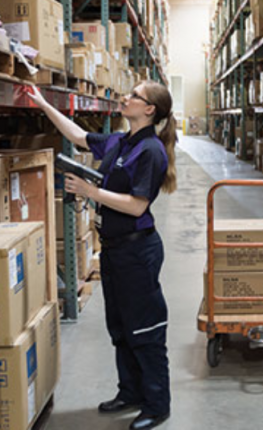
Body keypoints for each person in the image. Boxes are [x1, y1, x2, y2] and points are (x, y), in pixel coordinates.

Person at [29, 81, 176, 430]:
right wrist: (42, 104)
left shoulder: (151, 150)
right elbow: (80, 136)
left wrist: (91, 191)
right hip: (113, 249)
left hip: (137, 250)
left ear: (149, 109)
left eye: (134, 96)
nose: (126, 98)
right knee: (121, 326)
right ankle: (130, 392)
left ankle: (157, 404)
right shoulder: (120, 141)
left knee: (145, 328)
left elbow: (138, 204)